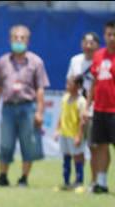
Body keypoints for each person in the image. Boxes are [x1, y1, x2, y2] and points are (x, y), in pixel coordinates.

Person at [0, 25, 49, 188]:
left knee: (28, 143)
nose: (19, 41)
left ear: (28, 41)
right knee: (5, 143)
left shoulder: (36, 62)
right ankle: (2, 177)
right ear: (10, 39)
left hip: (28, 107)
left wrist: (40, 112)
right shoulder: (3, 61)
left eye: (22, 38)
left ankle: (23, 178)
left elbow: (40, 89)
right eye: (16, 37)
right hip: (8, 107)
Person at [67, 32, 100, 190]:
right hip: (77, 109)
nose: (88, 45)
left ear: (97, 45)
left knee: (94, 147)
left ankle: (95, 182)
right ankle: (78, 180)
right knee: (76, 146)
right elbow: (70, 82)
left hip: (95, 110)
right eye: (86, 42)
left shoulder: (100, 61)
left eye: (92, 43)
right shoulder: (75, 61)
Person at [88, 19, 115, 194]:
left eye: (114, 34)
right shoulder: (98, 55)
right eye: (109, 34)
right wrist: (88, 105)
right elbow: (94, 83)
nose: (112, 37)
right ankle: (102, 183)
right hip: (100, 110)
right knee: (101, 146)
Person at [53, 76, 86, 191]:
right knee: (66, 157)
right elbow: (62, 115)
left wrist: (79, 135)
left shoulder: (81, 101)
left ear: (78, 86)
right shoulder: (65, 98)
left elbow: (82, 121)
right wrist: (57, 130)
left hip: (74, 135)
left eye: (70, 84)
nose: (67, 86)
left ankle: (79, 183)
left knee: (77, 158)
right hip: (64, 134)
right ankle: (66, 183)